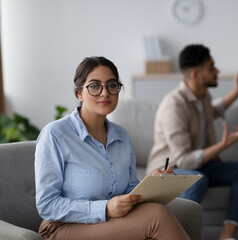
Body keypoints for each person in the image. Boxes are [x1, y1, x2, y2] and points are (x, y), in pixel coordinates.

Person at [35, 56, 190, 240]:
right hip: (62, 228)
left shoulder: (121, 136)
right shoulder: (55, 135)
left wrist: (151, 185)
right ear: (79, 93)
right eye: (94, 86)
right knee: (156, 217)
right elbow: (47, 205)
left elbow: (128, 191)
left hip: (109, 224)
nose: (104, 93)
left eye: (111, 85)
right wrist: (105, 208)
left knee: (155, 212)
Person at [146, 44, 238, 240]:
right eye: (211, 67)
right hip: (170, 169)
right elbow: (183, 160)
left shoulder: (203, 96)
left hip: (201, 165)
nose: (217, 71)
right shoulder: (174, 106)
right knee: (197, 178)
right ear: (195, 75)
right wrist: (223, 145)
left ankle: (227, 234)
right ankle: (178, 236)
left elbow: (214, 110)